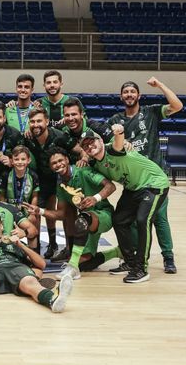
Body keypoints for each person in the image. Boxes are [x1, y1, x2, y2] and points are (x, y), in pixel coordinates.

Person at [107, 78, 182, 274]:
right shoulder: (115, 121)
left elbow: (177, 105)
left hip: (155, 178)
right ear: (121, 96)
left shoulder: (151, 112)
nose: (129, 95)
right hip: (133, 180)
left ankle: (168, 257)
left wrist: (160, 85)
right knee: (129, 220)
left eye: (133, 91)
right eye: (126, 92)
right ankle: (132, 258)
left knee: (159, 218)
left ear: (139, 95)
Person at [80, 126, 169, 283]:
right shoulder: (95, 163)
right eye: (85, 145)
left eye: (91, 142)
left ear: (100, 140)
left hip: (153, 183)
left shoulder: (113, 150)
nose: (89, 146)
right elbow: (108, 185)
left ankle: (141, 268)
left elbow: (118, 143)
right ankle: (129, 261)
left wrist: (119, 132)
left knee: (143, 220)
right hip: (133, 188)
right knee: (119, 219)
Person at [23, 147, 119, 280]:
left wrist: (95, 198)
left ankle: (72, 267)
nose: (58, 164)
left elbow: (110, 186)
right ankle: (116, 252)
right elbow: (61, 214)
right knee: (86, 263)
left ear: (67, 160)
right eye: (54, 163)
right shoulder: (61, 185)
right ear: (51, 167)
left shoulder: (84, 171)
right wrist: (40, 211)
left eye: (60, 160)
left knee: (81, 220)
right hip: (85, 221)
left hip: (103, 214)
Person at [24, 107, 88, 260]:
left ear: (46, 121)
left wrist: (84, 159)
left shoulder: (59, 136)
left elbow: (81, 151)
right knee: (36, 212)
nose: (35, 124)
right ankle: (36, 251)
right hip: (40, 179)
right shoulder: (27, 137)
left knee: (68, 213)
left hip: (61, 178)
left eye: (39, 121)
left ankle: (69, 249)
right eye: (32, 122)